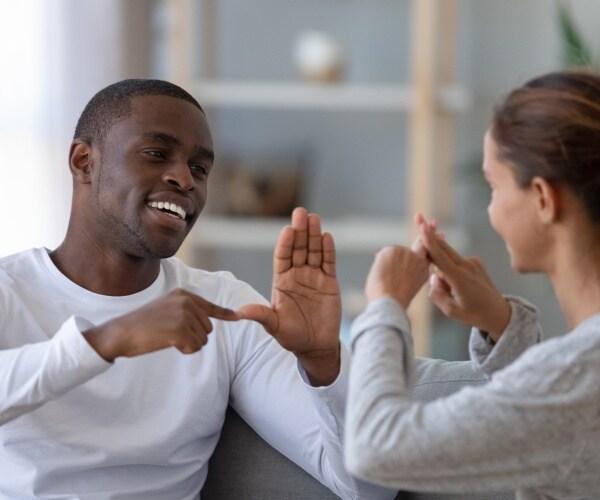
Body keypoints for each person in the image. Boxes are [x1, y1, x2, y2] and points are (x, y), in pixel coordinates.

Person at [0, 79, 396, 499]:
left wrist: (323, 361)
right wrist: (107, 339)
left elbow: (366, 487)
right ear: (84, 162)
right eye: (156, 154)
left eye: (200, 168)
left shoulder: (226, 308)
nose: (184, 179)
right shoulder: (11, 292)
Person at [345, 69, 600, 498]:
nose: (491, 210)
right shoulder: (579, 373)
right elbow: (551, 425)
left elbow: (374, 449)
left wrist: (385, 306)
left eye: (493, 187)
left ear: (542, 198)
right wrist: (501, 323)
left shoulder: (580, 374)